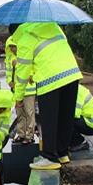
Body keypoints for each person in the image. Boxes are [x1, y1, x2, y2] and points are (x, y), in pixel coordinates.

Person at [12, 22, 82, 170]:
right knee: (65, 116)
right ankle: (62, 153)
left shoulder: (25, 38)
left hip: (50, 79)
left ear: (14, 33)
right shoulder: (53, 26)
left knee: (49, 118)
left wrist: (18, 98)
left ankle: (49, 156)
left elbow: (22, 73)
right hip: (72, 74)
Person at [5, 35, 37, 145]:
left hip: (28, 90)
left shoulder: (27, 56)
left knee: (29, 113)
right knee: (20, 114)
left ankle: (29, 135)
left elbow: (33, 68)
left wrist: (31, 76)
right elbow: (8, 72)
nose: (13, 49)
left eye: (15, 46)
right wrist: (10, 81)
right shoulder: (9, 59)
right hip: (17, 91)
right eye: (11, 47)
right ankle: (21, 134)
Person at [70, 84, 93, 151]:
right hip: (89, 121)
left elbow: (74, 113)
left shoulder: (76, 91)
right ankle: (73, 141)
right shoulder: (76, 88)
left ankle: (79, 142)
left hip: (92, 125)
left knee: (67, 120)